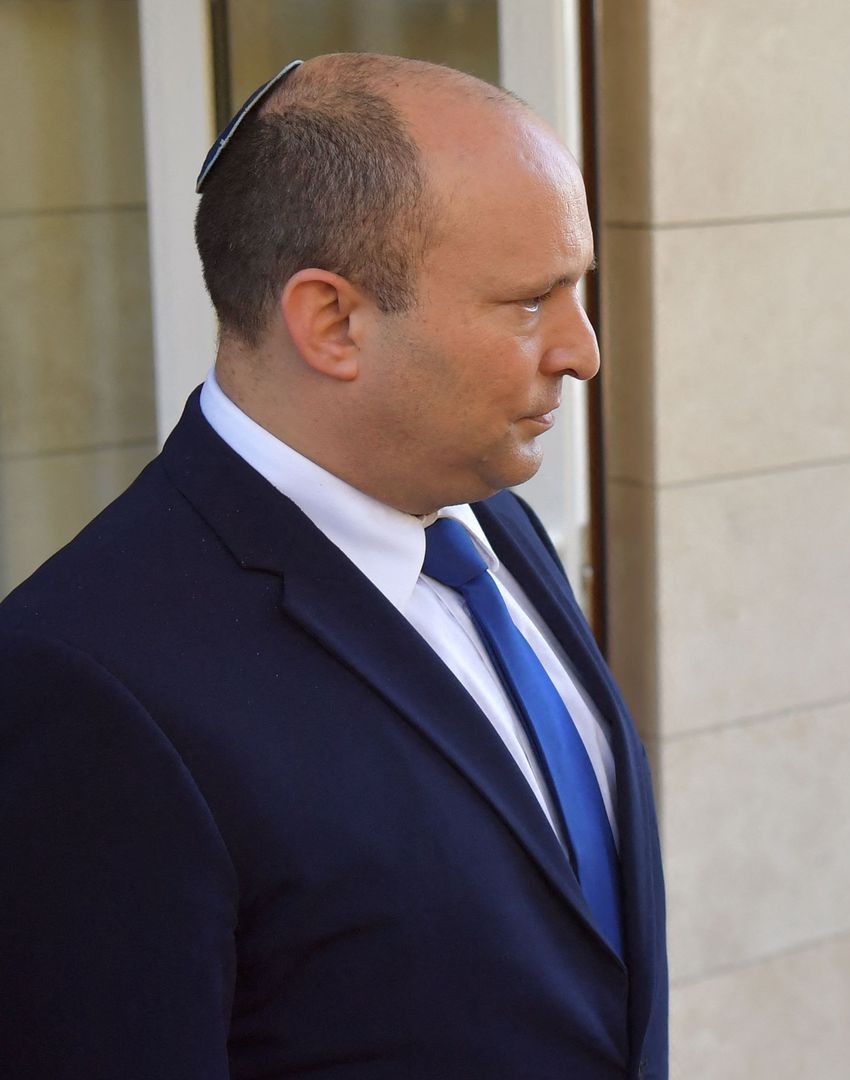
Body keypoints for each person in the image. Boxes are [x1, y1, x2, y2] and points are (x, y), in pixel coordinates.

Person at [0, 54, 666, 1078]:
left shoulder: (494, 526)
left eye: (578, 289)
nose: (581, 351)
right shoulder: (83, 682)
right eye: (532, 301)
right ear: (332, 321)